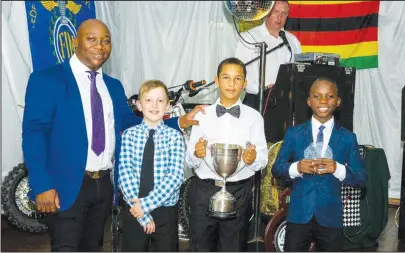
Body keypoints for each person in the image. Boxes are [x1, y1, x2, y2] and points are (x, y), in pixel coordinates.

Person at [22, 19, 204, 252]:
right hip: (65, 186)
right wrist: (41, 184)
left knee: (93, 247)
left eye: (106, 41)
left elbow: (132, 123)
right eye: (92, 39)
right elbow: (34, 134)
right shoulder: (47, 79)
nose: (100, 46)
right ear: (75, 42)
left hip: (103, 187)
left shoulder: (113, 86)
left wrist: (178, 122)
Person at [272, 77, 367, 252]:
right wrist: (296, 167)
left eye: (329, 96)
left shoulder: (347, 138)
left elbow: (361, 179)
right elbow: (277, 169)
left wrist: (338, 169)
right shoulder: (294, 134)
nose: (323, 101)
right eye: (317, 96)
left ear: (338, 102)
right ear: (309, 101)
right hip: (299, 215)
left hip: (331, 216)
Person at [185, 57, 268, 251]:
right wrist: (197, 154)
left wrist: (252, 158)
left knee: (234, 247)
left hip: (239, 192)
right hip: (204, 190)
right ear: (217, 80)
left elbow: (262, 158)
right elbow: (189, 160)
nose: (232, 84)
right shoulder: (201, 115)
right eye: (226, 77)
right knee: (200, 247)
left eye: (237, 78)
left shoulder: (254, 117)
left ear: (245, 83)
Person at [118, 80, 184, 252]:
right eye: (148, 100)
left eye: (160, 101)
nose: (154, 105)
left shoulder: (175, 137)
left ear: (168, 105)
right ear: (139, 105)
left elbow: (175, 176)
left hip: (165, 210)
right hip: (134, 207)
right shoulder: (129, 136)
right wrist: (142, 213)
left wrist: (145, 206)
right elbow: (124, 173)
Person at [235, 0, 302, 110]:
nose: (280, 17)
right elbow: (239, 72)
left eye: (284, 13)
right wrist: (263, 88)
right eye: (276, 12)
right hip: (256, 100)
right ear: (267, 12)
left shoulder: (293, 41)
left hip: (285, 102)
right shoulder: (249, 37)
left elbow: (299, 72)